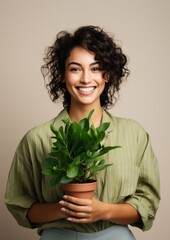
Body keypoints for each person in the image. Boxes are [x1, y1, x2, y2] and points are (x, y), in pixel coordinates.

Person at [4, 25, 160, 240]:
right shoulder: (36, 139)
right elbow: (20, 205)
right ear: (62, 75)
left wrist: (104, 211)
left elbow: (147, 202)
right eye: (75, 68)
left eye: (96, 68)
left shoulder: (134, 134)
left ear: (108, 75)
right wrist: (66, 209)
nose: (86, 79)